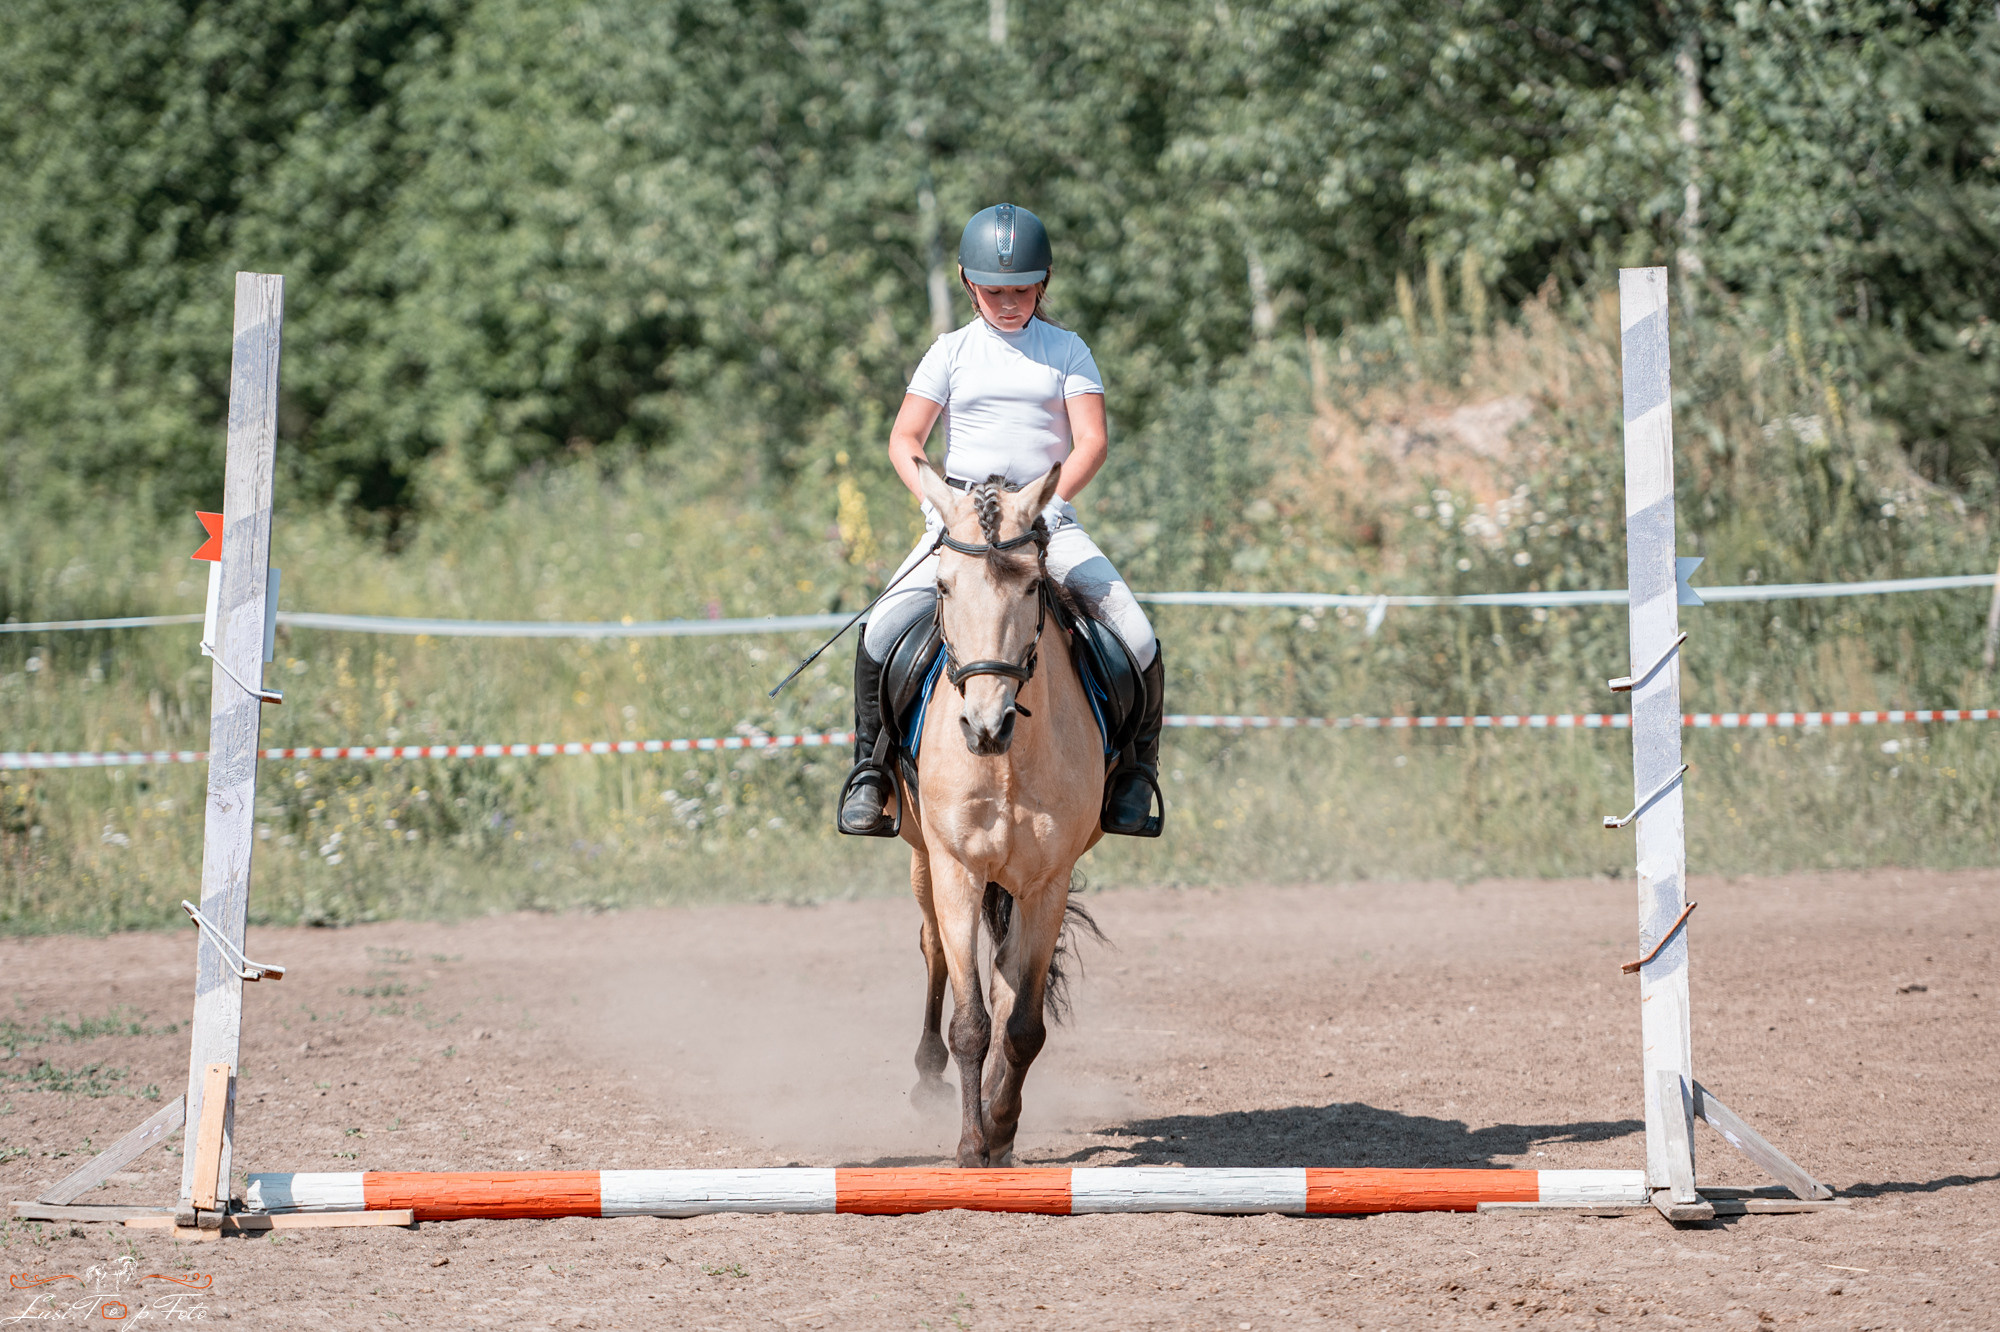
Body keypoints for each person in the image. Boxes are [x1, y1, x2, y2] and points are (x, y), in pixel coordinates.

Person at [837, 202, 1164, 838]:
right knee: (880, 631)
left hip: (1043, 521)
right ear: (967, 282)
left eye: (1021, 289)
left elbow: (1090, 440)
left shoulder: (1067, 350)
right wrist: (940, 505)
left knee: (1138, 633)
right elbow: (906, 438)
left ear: (1042, 284)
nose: (1008, 302)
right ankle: (870, 774)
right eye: (994, 291)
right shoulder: (950, 352)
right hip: (959, 524)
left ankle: (1135, 774)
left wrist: (1048, 502)